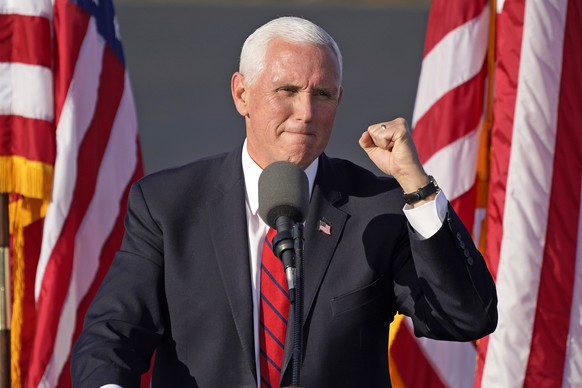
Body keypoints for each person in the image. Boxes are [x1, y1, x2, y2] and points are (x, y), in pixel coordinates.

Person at [71, 16, 497, 388]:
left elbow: (466, 318)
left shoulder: (377, 207)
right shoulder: (167, 205)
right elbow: (113, 334)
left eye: (323, 95)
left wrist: (416, 186)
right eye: (287, 90)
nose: (306, 112)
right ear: (242, 94)